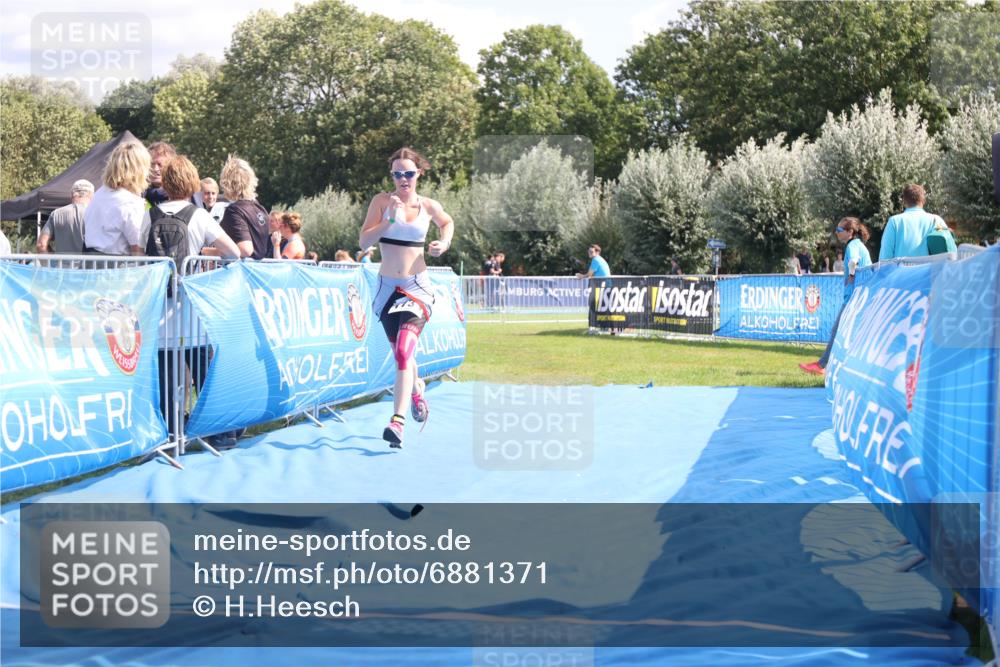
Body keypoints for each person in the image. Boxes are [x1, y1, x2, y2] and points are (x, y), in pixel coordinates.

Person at [359, 147, 454, 448]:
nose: (403, 178)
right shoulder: (381, 202)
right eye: (398, 174)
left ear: (418, 174)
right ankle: (415, 390)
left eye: (409, 173)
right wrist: (388, 220)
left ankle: (396, 422)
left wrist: (445, 243)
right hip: (387, 288)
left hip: (416, 288)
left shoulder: (428, 205)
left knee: (403, 351)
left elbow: (447, 222)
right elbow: (362, 241)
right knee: (403, 356)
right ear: (392, 176)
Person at [153, 156, 240, 442]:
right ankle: (218, 432)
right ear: (192, 182)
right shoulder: (199, 216)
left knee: (166, 376)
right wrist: (202, 255)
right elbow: (233, 252)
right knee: (204, 373)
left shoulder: (149, 215)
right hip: (190, 308)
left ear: (164, 183)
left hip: (160, 309)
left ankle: (172, 432)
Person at [799, 217, 872, 376]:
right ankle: (834, 367)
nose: (837, 233)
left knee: (837, 330)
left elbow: (853, 261)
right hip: (861, 297)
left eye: (840, 230)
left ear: (850, 232)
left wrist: (851, 275)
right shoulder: (859, 245)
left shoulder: (852, 246)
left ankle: (822, 365)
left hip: (854, 298)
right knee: (848, 333)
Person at [83, 140, 151, 255]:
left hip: (91, 264)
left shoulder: (99, 194)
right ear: (140, 170)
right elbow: (137, 249)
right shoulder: (130, 203)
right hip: (116, 268)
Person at [219, 156, 271, 259]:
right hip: (257, 272)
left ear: (227, 183)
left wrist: (208, 252)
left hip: (240, 272)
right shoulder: (260, 208)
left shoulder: (234, 210)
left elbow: (245, 250)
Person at [879, 183, 945, 260]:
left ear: (904, 201)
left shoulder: (894, 222)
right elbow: (947, 247)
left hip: (901, 271)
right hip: (929, 271)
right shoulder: (936, 221)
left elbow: (885, 257)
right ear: (923, 200)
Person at [37, 179, 94, 253]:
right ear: (91, 195)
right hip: (90, 264)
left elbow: (41, 245)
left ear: (72, 195)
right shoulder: (96, 214)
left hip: (62, 264)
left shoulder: (56, 214)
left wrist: (52, 263)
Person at [144, 141, 176, 207]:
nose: (155, 169)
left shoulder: (183, 196)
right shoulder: (138, 196)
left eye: (160, 165)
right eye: (152, 164)